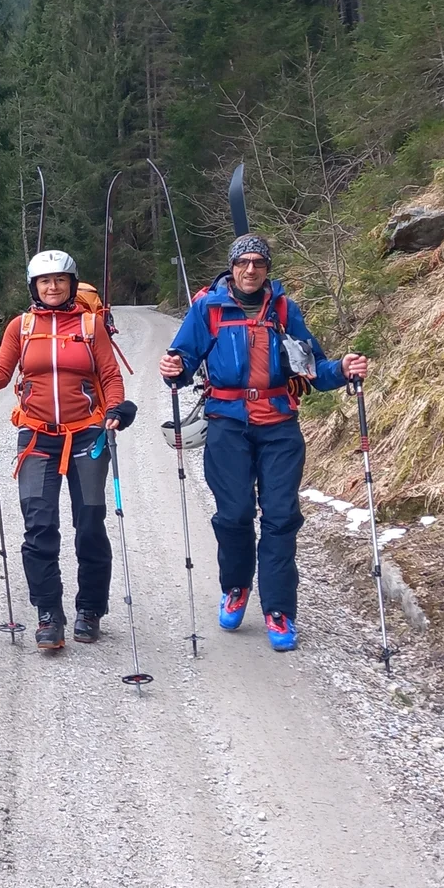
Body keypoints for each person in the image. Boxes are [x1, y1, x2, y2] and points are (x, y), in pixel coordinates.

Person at [159, 233, 370, 652]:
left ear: (267, 269)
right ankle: (236, 587)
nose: (251, 269)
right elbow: (182, 362)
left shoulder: (285, 310)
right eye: (243, 263)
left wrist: (343, 369)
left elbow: (313, 369)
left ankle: (278, 610)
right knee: (234, 514)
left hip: (279, 427)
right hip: (227, 425)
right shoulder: (209, 308)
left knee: (279, 516)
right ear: (232, 268)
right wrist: (174, 367)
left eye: (258, 263)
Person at [0, 250, 135, 652]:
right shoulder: (21, 327)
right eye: (45, 281)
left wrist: (116, 408)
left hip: (86, 436)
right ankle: (48, 614)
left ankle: (90, 609)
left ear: (72, 284)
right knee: (39, 528)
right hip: (36, 438)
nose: (53, 286)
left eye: (61, 280)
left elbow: (110, 376)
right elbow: (2, 375)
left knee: (91, 527)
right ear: (34, 287)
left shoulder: (91, 325)